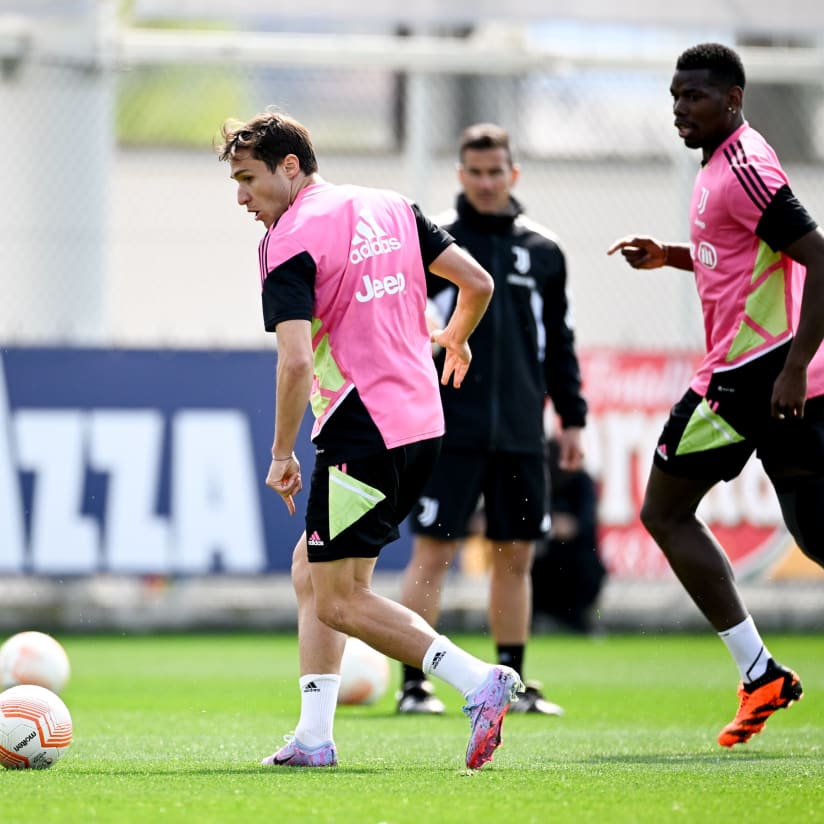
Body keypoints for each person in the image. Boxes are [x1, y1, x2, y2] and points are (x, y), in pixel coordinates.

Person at [217, 110, 525, 770]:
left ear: (291, 166)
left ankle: (479, 682)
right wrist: (457, 336)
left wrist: (280, 454)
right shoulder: (390, 205)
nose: (242, 197)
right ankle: (313, 738)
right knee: (314, 573)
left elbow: (296, 361)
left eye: (248, 179)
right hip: (423, 423)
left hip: (364, 427)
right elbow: (477, 282)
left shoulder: (286, 241)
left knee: (338, 599)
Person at [608, 42, 824, 747]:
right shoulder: (720, 164)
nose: (680, 110)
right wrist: (671, 255)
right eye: (674, 97)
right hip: (760, 374)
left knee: (664, 513)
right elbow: (739, 255)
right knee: (815, 530)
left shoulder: (745, 167)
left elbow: (818, 256)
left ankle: (758, 670)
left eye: (694, 97)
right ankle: (760, 672)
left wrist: (794, 368)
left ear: (732, 99)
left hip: (747, 379)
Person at [396, 123, 588, 716]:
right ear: (460, 176)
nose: (484, 182)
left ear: (513, 174)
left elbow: (559, 342)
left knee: (514, 556)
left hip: (521, 435)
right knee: (434, 551)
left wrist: (572, 419)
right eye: (474, 173)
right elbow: (406, 328)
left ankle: (514, 681)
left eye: (494, 172)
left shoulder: (544, 251)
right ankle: (414, 685)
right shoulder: (436, 246)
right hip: (447, 430)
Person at [531, 438, 606, 634]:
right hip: (543, 565)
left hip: (575, 566)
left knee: (588, 567)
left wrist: (548, 525)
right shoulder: (535, 484)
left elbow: (579, 526)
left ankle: (578, 618)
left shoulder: (581, 483)